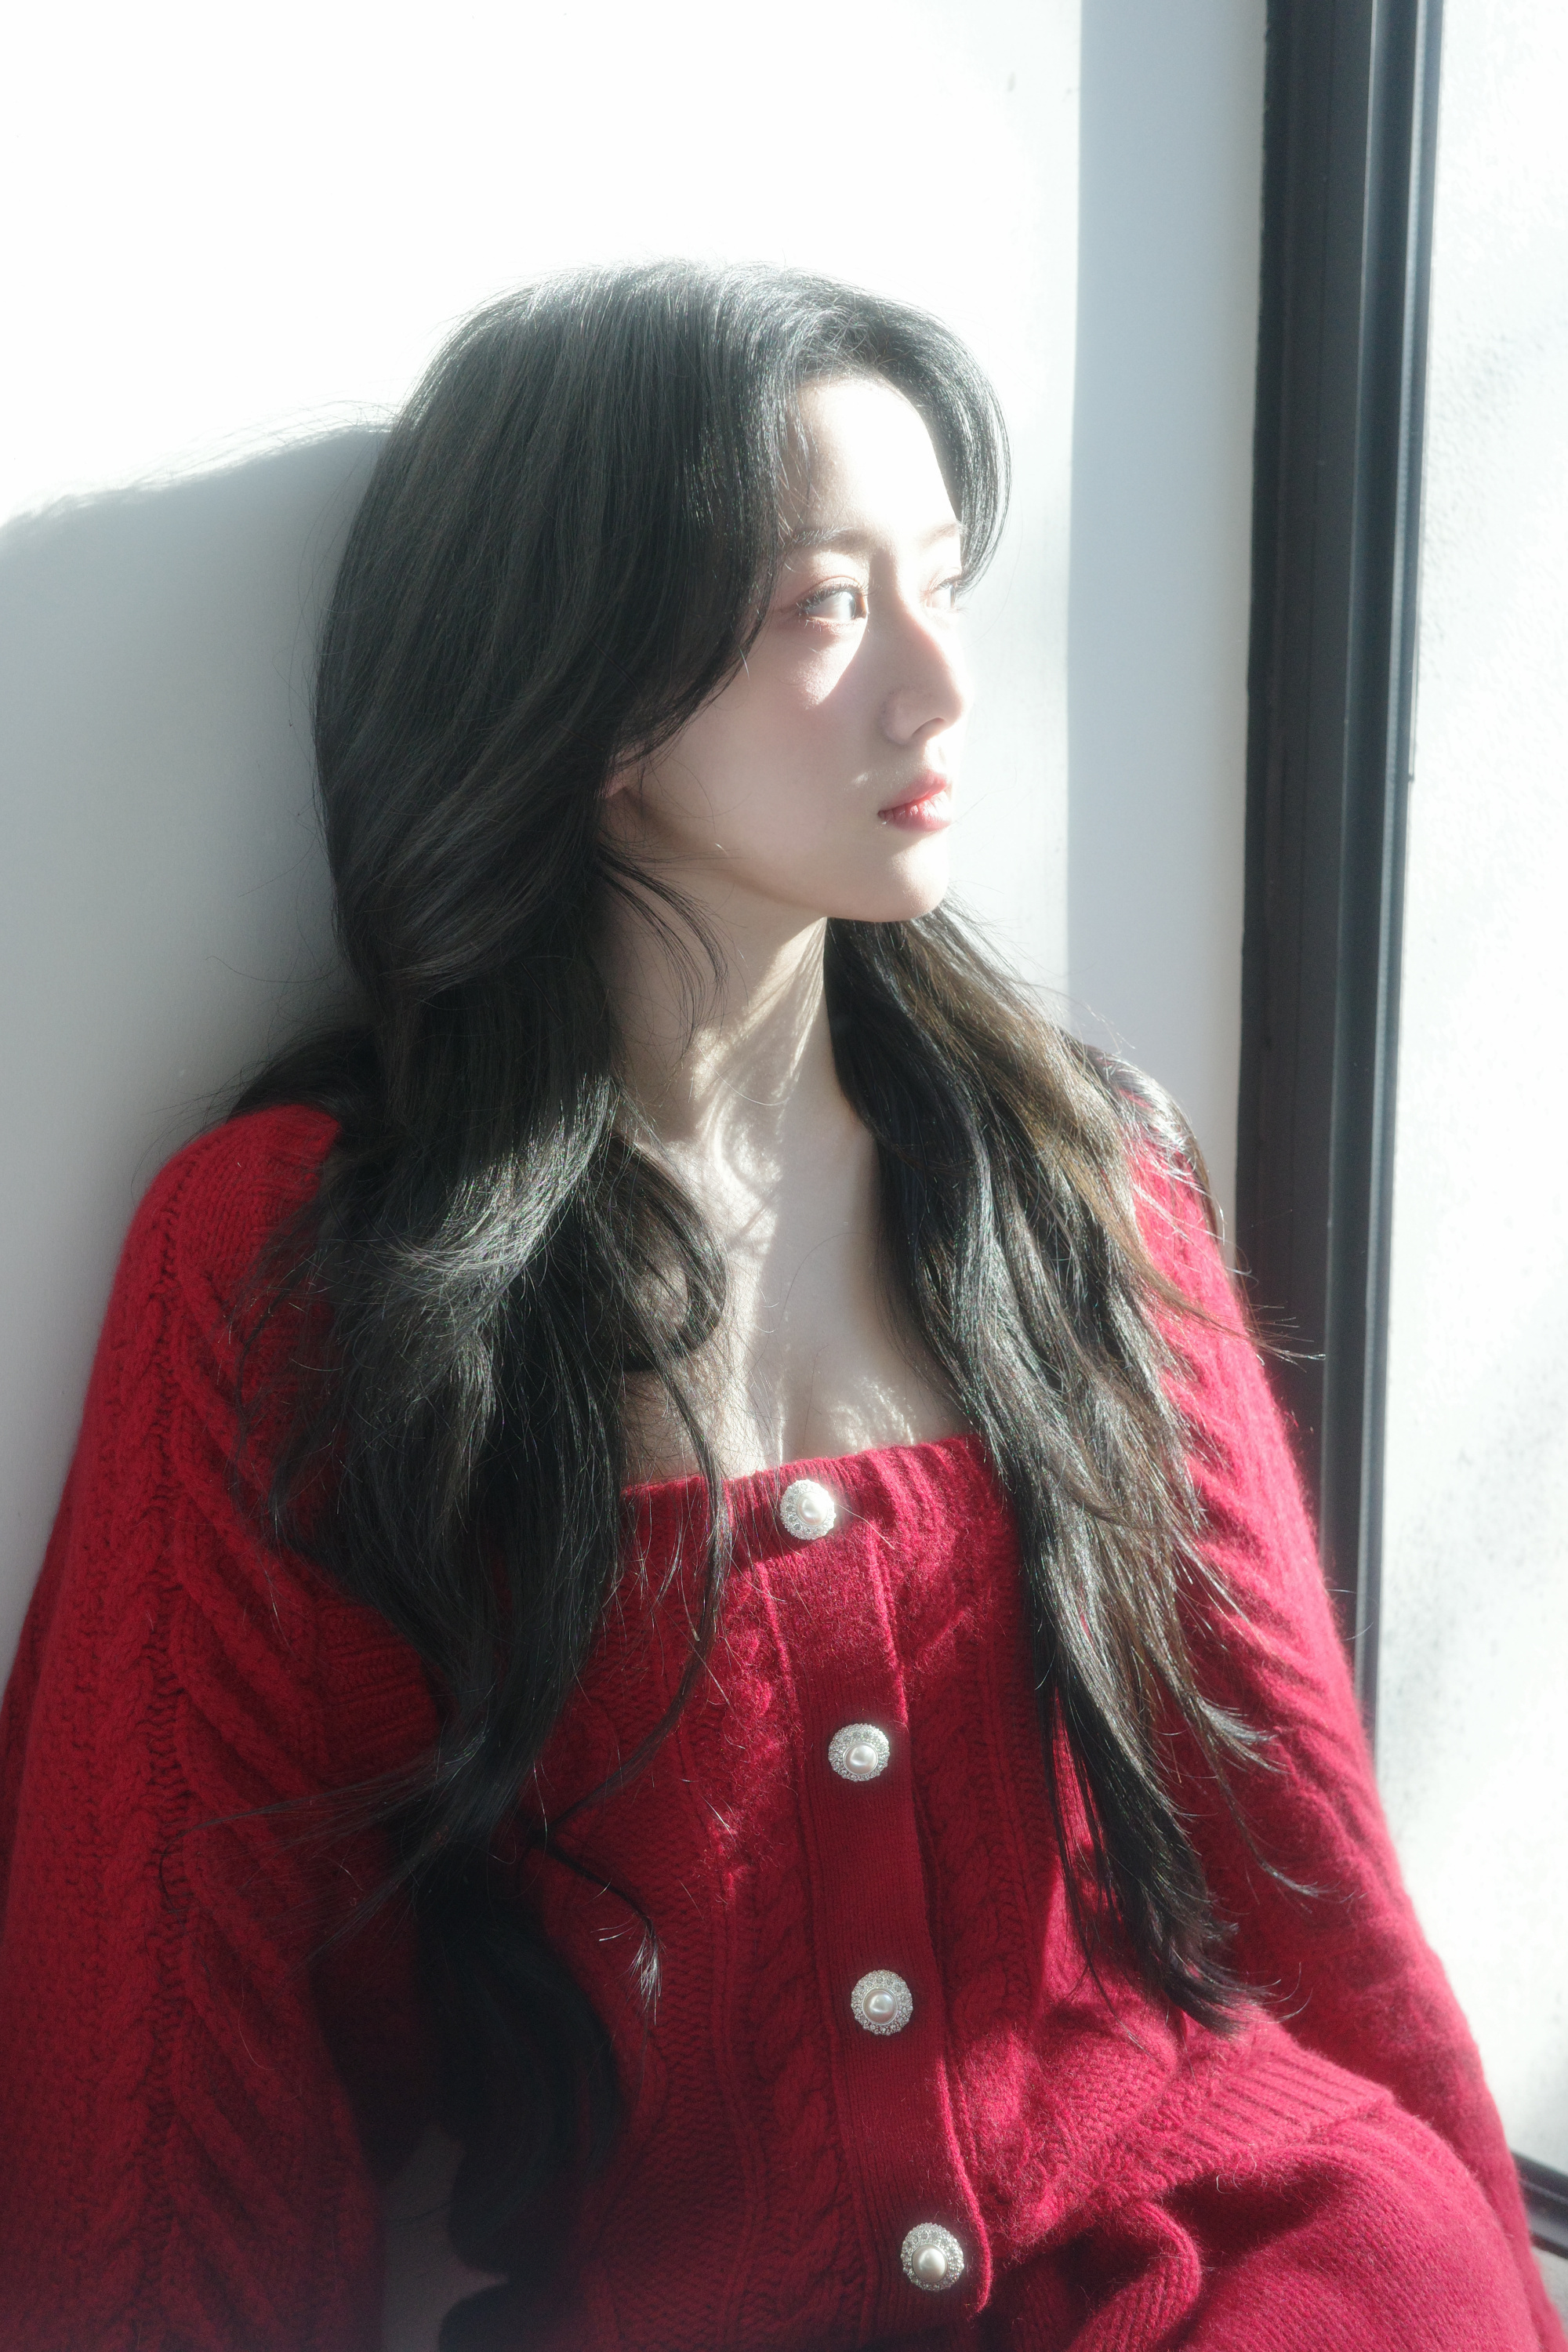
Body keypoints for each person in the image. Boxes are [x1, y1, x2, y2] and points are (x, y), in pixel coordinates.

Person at [0, 262, 1557, 2352]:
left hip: (1256, 2267)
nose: (942, 685)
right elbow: (162, 2077)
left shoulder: (1077, 1179)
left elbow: (1309, 1874)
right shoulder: (295, 1261)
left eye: (943, 583)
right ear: (585, 688)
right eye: (831, 607)